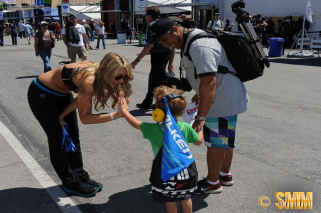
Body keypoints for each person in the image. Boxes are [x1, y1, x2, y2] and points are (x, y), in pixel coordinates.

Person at [149, 18, 248, 194]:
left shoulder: (199, 45)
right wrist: (198, 92)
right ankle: (224, 174)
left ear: (175, 30)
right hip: (225, 95)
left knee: (216, 142)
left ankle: (212, 183)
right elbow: (206, 75)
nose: (165, 45)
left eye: (165, 40)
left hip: (222, 99)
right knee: (224, 138)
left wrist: (201, 116)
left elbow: (210, 81)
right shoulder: (191, 41)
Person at [27, 52, 133, 197]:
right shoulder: (89, 79)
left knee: (72, 135)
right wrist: (116, 115)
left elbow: (80, 99)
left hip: (62, 94)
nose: (121, 81)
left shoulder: (99, 72)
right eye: (118, 76)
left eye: (125, 77)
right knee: (58, 138)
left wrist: (62, 115)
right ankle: (71, 182)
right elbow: (86, 118)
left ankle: (80, 175)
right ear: (105, 71)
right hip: (41, 94)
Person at [118, 85, 203, 213]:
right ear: (180, 111)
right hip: (185, 170)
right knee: (185, 197)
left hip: (165, 171)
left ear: (159, 112)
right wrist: (200, 129)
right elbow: (199, 141)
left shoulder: (155, 129)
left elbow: (135, 122)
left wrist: (124, 110)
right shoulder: (185, 127)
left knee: (170, 199)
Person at [131, 6, 176, 109]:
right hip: (166, 55)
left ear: (150, 15)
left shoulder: (151, 26)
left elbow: (149, 46)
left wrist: (136, 61)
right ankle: (148, 101)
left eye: (146, 15)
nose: (145, 17)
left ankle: (168, 103)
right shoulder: (164, 25)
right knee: (152, 79)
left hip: (157, 55)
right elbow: (173, 46)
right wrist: (171, 63)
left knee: (161, 81)